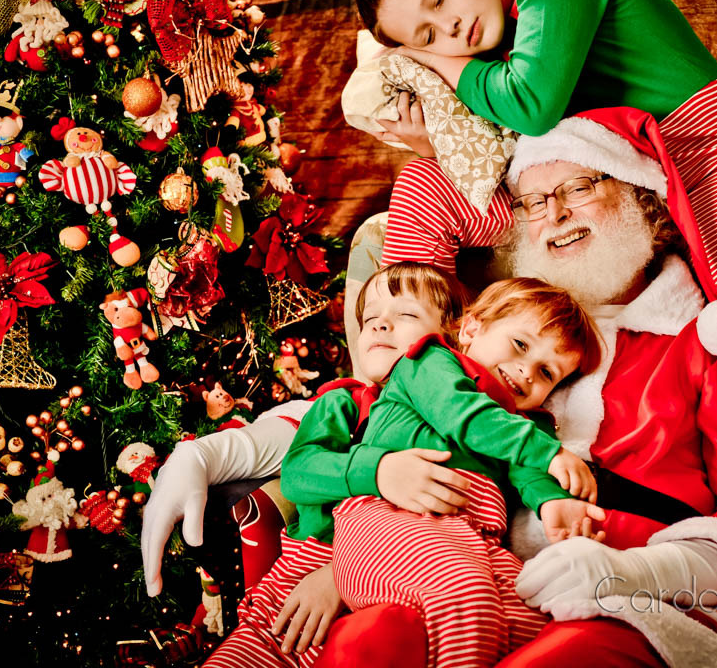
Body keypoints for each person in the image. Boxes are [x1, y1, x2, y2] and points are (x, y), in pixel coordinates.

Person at [353, 0, 717, 518]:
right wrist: (436, 146)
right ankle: (397, 396)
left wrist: (433, 61)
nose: (450, 29)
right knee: (429, 186)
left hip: (705, 151)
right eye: (426, 34)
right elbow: (514, 135)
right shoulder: (496, 48)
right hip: (607, 167)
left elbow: (531, 103)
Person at [316, 109, 717, 668]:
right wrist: (336, 567)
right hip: (472, 576)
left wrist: (631, 571)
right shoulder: (495, 339)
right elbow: (365, 428)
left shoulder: (705, 343)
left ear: (640, 197)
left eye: (579, 186)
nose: (554, 213)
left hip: (636, 606)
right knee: (366, 642)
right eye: (531, 201)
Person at [203, 263, 604, 668]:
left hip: (456, 541)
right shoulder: (369, 391)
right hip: (329, 558)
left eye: (405, 315)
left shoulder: (511, 420)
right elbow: (299, 474)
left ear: (450, 329)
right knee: (263, 652)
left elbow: (525, 467)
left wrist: (554, 501)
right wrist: (380, 472)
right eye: (370, 319)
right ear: (466, 332)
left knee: (529, 622)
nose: (380, 327)